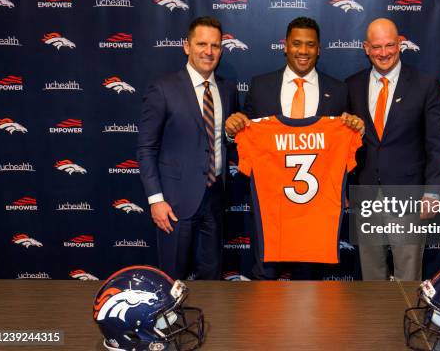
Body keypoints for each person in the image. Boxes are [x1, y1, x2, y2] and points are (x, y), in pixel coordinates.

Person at [225, 16, 364, 279]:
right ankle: (264, 323)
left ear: (319, 49)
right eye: (297, 44)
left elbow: (346, 146)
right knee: (264, 279)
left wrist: (357, 127)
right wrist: (233, 128)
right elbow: (246, 134)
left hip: (313, 212)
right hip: (271, 208)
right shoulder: (260, 86)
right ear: (285, 46)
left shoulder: (338, 90)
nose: (303, 51)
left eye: (310, 45)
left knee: (308, 285)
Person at [346, 18, 440, 281]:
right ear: (366, 48)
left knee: (408, 273)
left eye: (390, 45)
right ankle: (376, 322)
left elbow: (437, 145)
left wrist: (433, 194)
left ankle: (407, 321)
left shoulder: (425, 84)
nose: (384, 53)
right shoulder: (351, 85)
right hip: (365, 194)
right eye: (377, 46)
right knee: (371, 273)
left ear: (400, 43)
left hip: (409, 196)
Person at [137, 16, 238, 280]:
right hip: (174, 203)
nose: (208, 51)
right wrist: (156, 200)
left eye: (215, 46)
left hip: (215, 198)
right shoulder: (162, 88)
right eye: (201, 44)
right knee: (171, 279)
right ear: (186, 46)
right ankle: (170, 322)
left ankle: (209, 320)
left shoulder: (227, 90)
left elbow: (224, 139)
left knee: (212, 277)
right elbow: (146, 148)